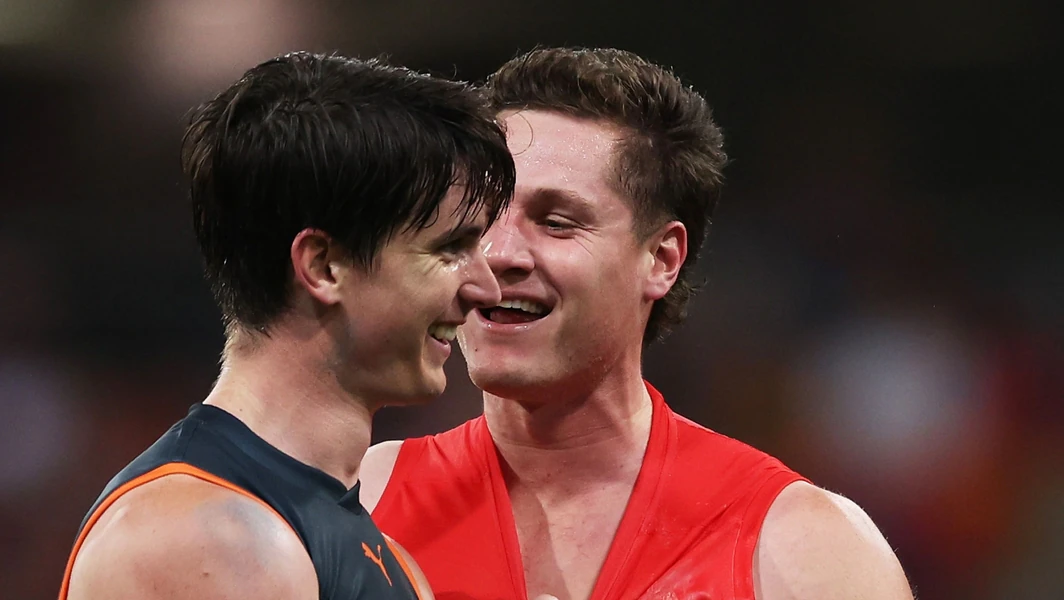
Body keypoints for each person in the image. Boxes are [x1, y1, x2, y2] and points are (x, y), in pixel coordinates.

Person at [359, 47, 914, 600]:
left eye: (555, 223)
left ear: (661, 259)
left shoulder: (805, 550)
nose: (500, 254)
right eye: (480, 221)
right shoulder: (360, 505)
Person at [58, 51, 515, 600]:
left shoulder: (375, 551)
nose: (487, 288)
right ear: (323, 267)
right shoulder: (205, 536)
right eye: (451, 248)